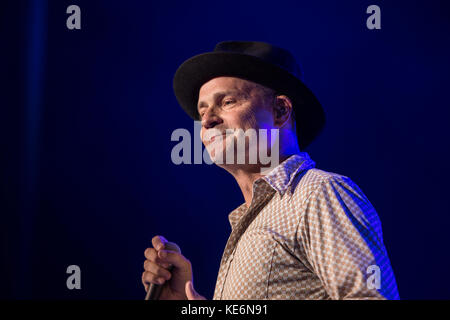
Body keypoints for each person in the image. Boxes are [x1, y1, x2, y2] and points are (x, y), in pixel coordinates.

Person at [142, 41, 400, 300]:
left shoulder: (319, 193)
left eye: (227, 102)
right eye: (203, 110)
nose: (207, 120)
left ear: (280, 111)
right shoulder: (250, 221)